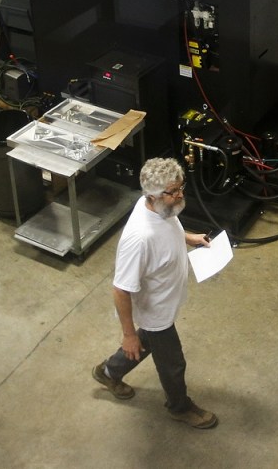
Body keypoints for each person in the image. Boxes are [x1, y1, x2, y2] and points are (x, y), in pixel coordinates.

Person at [91, 157, 218, 429]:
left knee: (147, 342)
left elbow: (169, 228)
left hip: (165, 301)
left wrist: (189, 238)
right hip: (155, 311)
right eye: (173, 192)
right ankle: (180, 407)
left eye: (181, 187)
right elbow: (120, 289)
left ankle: (109, 371)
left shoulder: (160, 207)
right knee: (173, 363)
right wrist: (128, 335)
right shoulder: (139, 238)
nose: (180, 195)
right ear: (152, 195)